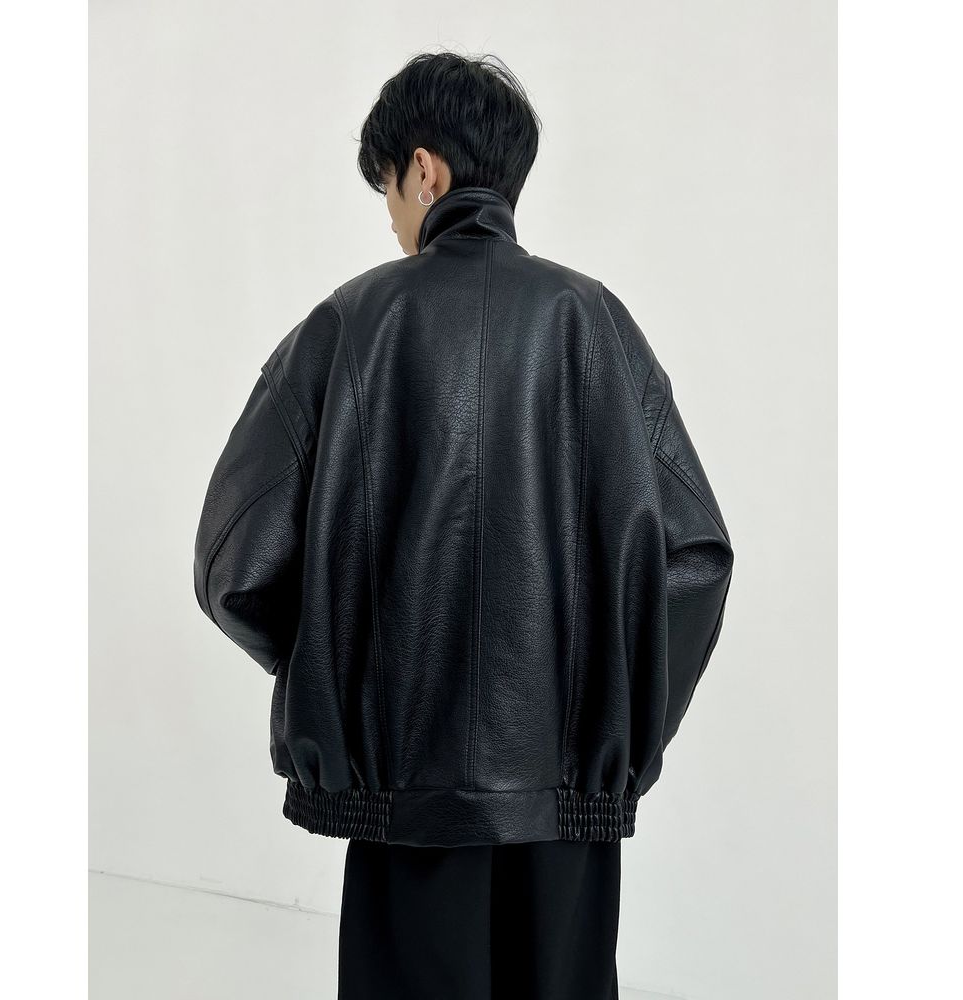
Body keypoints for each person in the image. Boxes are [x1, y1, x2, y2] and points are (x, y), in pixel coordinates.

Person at [193, 50, 734, 1000]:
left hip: (404, 809)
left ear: (424, 169)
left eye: (387, 191)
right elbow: (695, 559)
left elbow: (235, 562)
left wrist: (348, 679)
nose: (392, 220)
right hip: (566, 813)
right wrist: (608, 735)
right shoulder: (597, 324)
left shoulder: (346, 325)